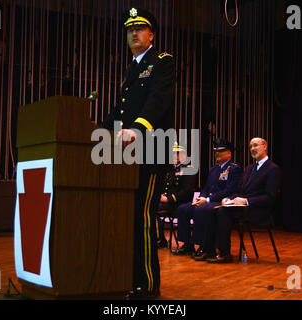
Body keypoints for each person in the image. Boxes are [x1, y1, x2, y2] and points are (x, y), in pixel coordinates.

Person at [102, 8, 175, 299]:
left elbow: (158, 101)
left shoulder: (162, 62)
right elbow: (120, 112)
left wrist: (137, 129)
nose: (134, 33)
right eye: (130, 29)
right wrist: (91, 130)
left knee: (142, 217)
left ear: (152, 34)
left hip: (150, 152)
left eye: (140, 28)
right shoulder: (131, 70)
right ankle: (128, 277)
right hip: (126, 157)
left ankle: (146, 285)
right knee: (127, 217)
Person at [206, 137, 281, 263]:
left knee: (222, 213)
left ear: (265, 146)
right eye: (251, 146)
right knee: (213, 209)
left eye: (256, 145)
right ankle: (210, 250)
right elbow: (239, 191)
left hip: (259, 210)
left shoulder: (273, 169)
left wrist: (246, 201)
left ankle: (225, 253)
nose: (252, 149)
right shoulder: (249, 168)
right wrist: (228, 198)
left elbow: (270, 197)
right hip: (242, 208)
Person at [172, 139, 242, 259]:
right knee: (183, 209)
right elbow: (206, 187)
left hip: (220, 201)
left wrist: (208, 199)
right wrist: (201, 197)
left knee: (201, 210)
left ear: (229, 154)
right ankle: (187, 244)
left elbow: (229, 190)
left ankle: (203, 247)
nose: (217, 154)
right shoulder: (214, 169)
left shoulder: (234, 169)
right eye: (215, 152)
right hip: (207, 200)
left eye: (221, 151)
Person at [156, 143, 197, 248]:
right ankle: (159, 239)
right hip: (167, 201)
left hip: (179, 202)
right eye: (173, 154)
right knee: (149, 207)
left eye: (177, 154)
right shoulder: (170, 170)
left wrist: (169, 199)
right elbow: (164, 186)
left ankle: (159, 239)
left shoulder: (188, 169)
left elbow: (187, 191)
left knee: (153, 209)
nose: (174, 156)